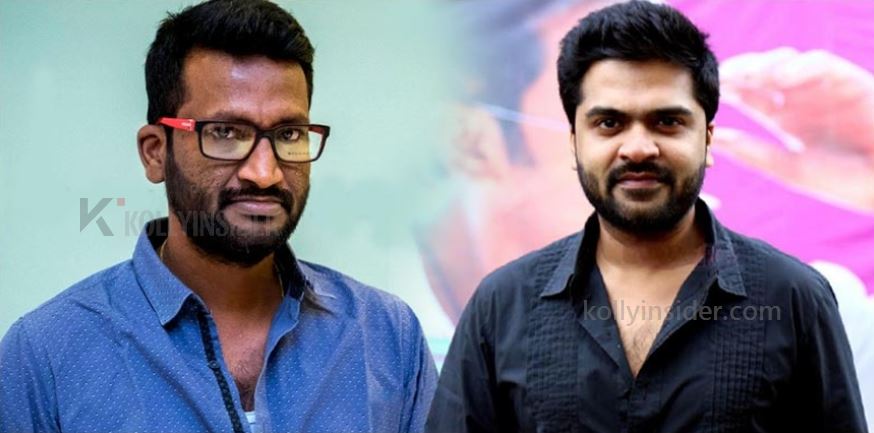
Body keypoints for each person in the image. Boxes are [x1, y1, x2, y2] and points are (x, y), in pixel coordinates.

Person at [426, 1, 867, 432]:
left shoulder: (793, 298)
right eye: (609, 123)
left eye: (667, 122)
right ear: (574, 141)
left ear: (707, 138)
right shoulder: (502, 306)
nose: (638, 148)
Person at [0, 1, 436, 432]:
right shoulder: (46, 356)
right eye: (225, 133)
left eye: (289, 134)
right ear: (155, 152)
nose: (264, 173)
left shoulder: (387, 337)